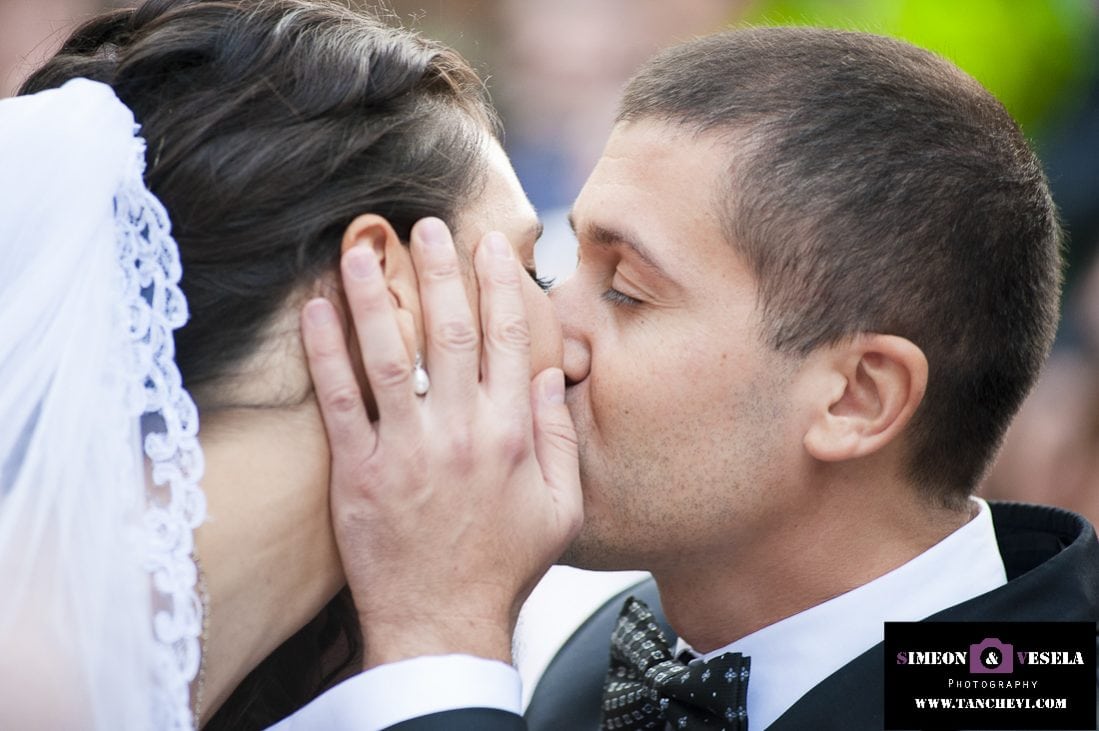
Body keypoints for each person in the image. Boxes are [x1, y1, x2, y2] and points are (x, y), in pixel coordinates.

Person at [295, 25, 1099, 731]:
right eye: (563, 263)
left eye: (626, 291)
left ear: (857, 397)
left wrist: (442, 642)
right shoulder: (614, 646)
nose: (546, 335)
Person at [1, 0, 579, 728]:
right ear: (387, 285)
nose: (571, 337)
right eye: (531, 270)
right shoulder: (37, 687)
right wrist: (447, 635)